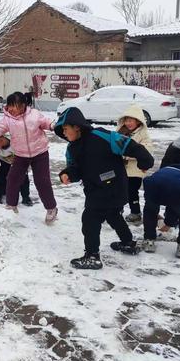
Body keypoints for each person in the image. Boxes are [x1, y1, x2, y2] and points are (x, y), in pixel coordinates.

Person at [55, 107, 154, 269]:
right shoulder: (72, 149)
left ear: (77, 126)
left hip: (113, 186)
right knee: (113, 215)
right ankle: (128, 243)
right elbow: (75, 169)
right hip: (97, 188)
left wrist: (145, 162)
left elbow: (132, 146)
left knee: (90, 219)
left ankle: (92, 255)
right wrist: (67, 174)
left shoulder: (103, 136)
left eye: (65, 129)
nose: (64, 134)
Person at [0, 91, 57, 224]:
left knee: (42, 181)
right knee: (12, 179)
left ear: (23, 105)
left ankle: (51, 208)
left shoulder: (34, 115)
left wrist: (53, 126)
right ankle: (11, 206)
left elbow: (46, 123)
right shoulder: (8, 119)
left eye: (14, 105)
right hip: (21, 154)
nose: (10, 108)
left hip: (40, 152)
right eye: (9, 105)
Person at [142, 165, 180, 259]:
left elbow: (171, 204)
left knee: (150, 210)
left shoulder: (166, 170)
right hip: (179, 188)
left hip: (153, 184)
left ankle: (148, 242)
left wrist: (167, 223)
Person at [117, 104, 153, 225]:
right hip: (121, 168)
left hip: (135, 169)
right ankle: (117, 209)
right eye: (126, 120)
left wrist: (129, 155)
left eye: (131, 120)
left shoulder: (143, 134)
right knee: (119, 189)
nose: (128, 123)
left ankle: (136, 213)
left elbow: (147, 150)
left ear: (138, 121)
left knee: (132, 191)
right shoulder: (120, 131)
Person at [0, 135, 32, 206]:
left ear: (1, 140)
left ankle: (26, 197)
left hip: (19, 163)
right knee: (0, 177)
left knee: (23, 178)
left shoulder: (15, 144)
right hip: (4, 163)